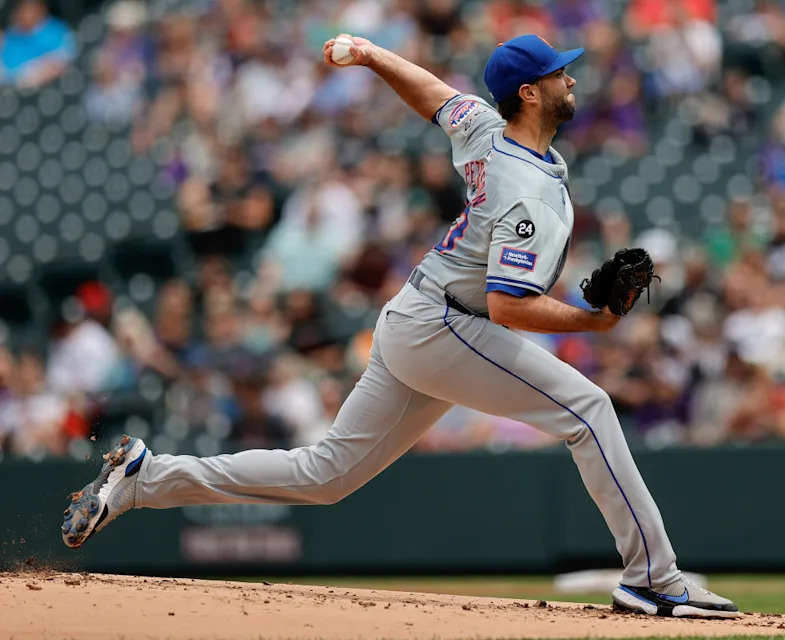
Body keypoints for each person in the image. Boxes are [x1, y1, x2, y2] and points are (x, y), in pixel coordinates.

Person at [60, 33, 738, 618]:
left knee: (323, 475)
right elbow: (508, 308)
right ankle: (654, 578)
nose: (573, 78)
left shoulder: (486, 129)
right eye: (561, 72)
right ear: (530, 94)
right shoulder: (522, 188)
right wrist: (593, 321)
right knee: (588, 409)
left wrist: (372, 54)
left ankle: (148, 478)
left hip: (421, 319)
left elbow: (434, 94)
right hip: (449, 324)